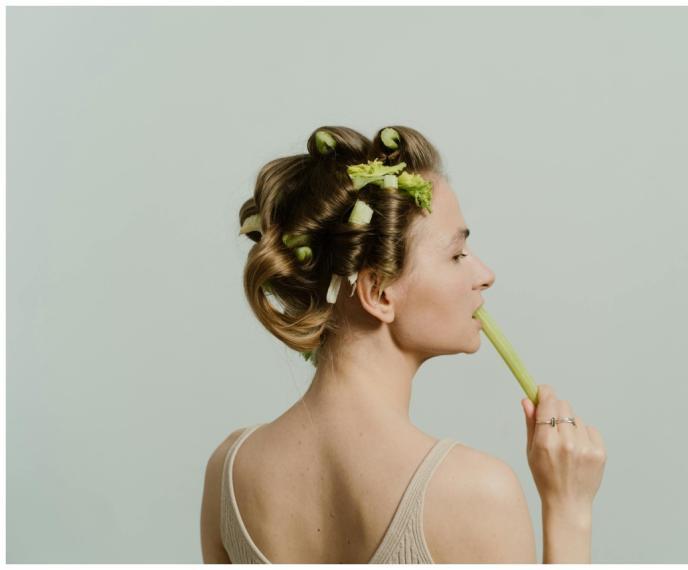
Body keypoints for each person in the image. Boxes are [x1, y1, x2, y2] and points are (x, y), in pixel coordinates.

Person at [200, 125, 607, 564]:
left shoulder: (229, 473)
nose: (484, 273)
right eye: (456, 255)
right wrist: (569, 510)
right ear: (379, 293)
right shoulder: (476, 493)